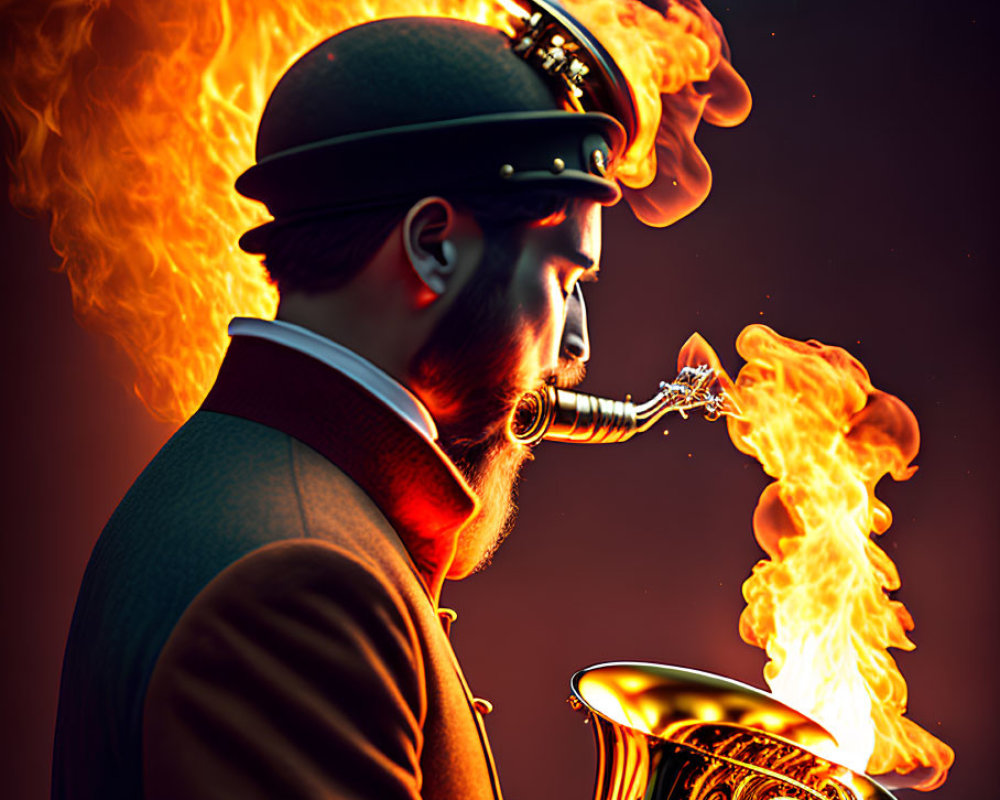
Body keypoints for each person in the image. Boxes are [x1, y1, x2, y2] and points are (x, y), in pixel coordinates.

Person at [51, 6, 746, 799]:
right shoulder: (301, 584)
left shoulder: (247, 487)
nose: (574, 351)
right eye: (563, 279)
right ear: (434, 246)